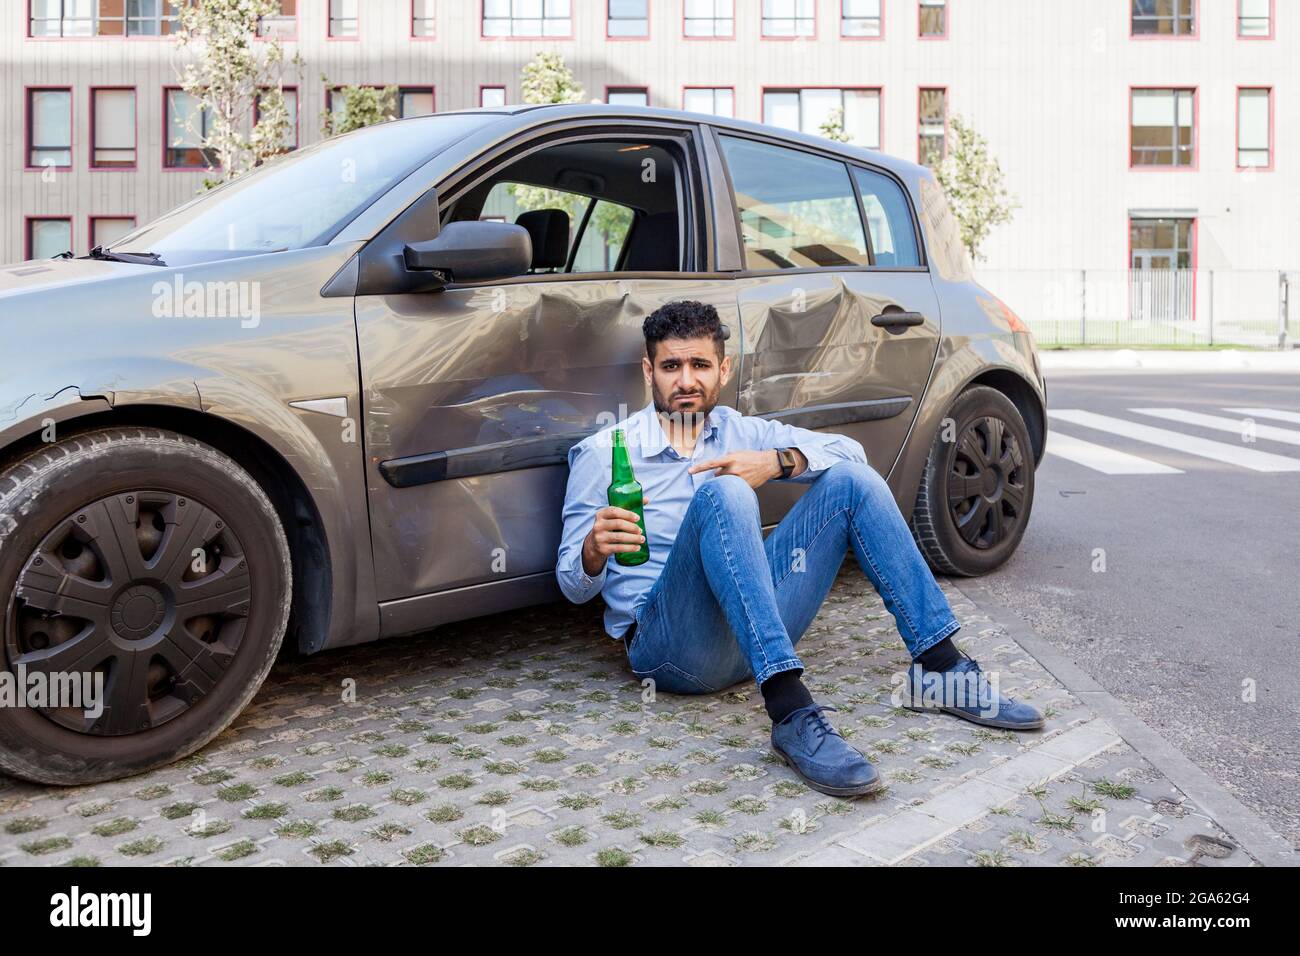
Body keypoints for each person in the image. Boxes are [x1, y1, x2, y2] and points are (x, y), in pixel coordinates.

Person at [557, 301, 1043, 797]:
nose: (686, 381)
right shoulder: (604, 454)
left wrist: (776, 462)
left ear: (722, 370)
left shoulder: (738, 430)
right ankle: (791, 712)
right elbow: (571, 587)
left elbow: (852, 453)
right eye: (671, 366)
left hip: (749, 630)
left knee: (852, 480)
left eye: (700, 365)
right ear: (649, 372)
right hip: (672, 651)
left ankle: (942, 668)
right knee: (723, 493)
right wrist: (593, 551)